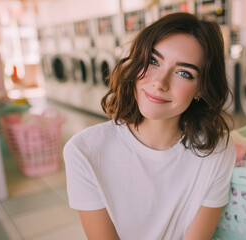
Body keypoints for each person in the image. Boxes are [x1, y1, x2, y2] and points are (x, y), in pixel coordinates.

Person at [63, 12, 236, 240]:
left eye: (184, 73)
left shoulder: (216, 149)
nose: (159, 82)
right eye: (153, 61)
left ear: (201, 89)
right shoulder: (84, 151)